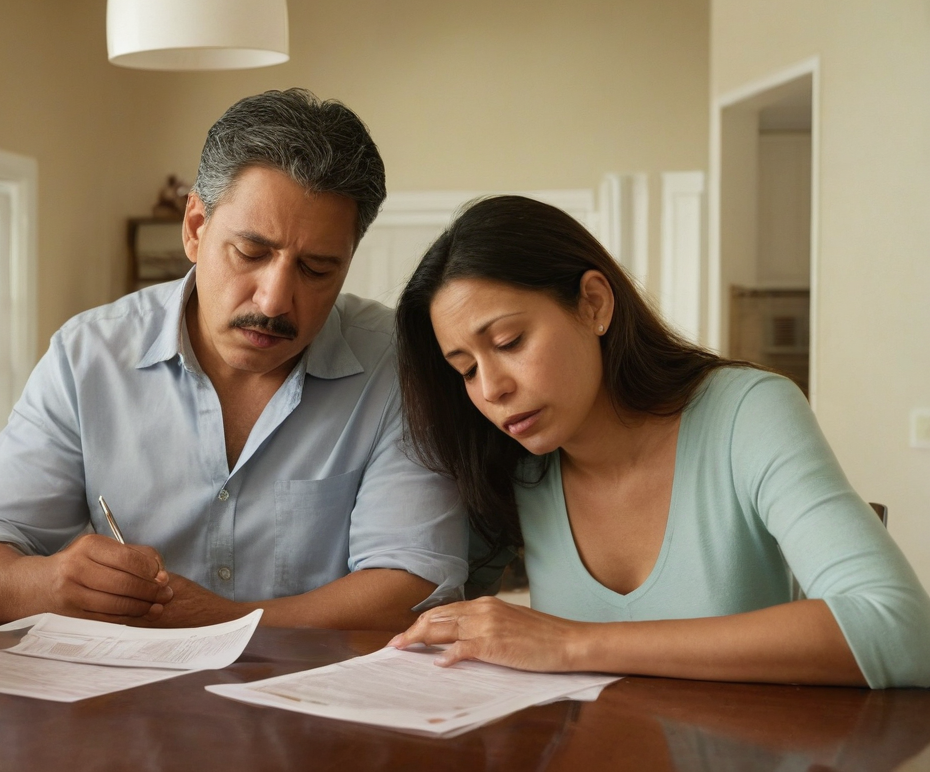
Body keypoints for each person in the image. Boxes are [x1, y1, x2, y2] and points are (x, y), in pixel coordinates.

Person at [0, 89, 467, 631]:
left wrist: (229, 621)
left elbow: (415, 583)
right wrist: (46, 586)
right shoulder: (87, 356)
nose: (274, 301)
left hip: (315, 708)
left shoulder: (398, 365)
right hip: (117, 707)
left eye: (317, 269)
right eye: (251, 253)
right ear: (195, 227)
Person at [389, 195, 930, 687]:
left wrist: (571, 642)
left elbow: (899, 626)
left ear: (594, 304)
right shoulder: (510, 462)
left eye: (509, 341)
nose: (491, 389)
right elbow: (416, 606)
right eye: (464, 370)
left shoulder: (747, 412)